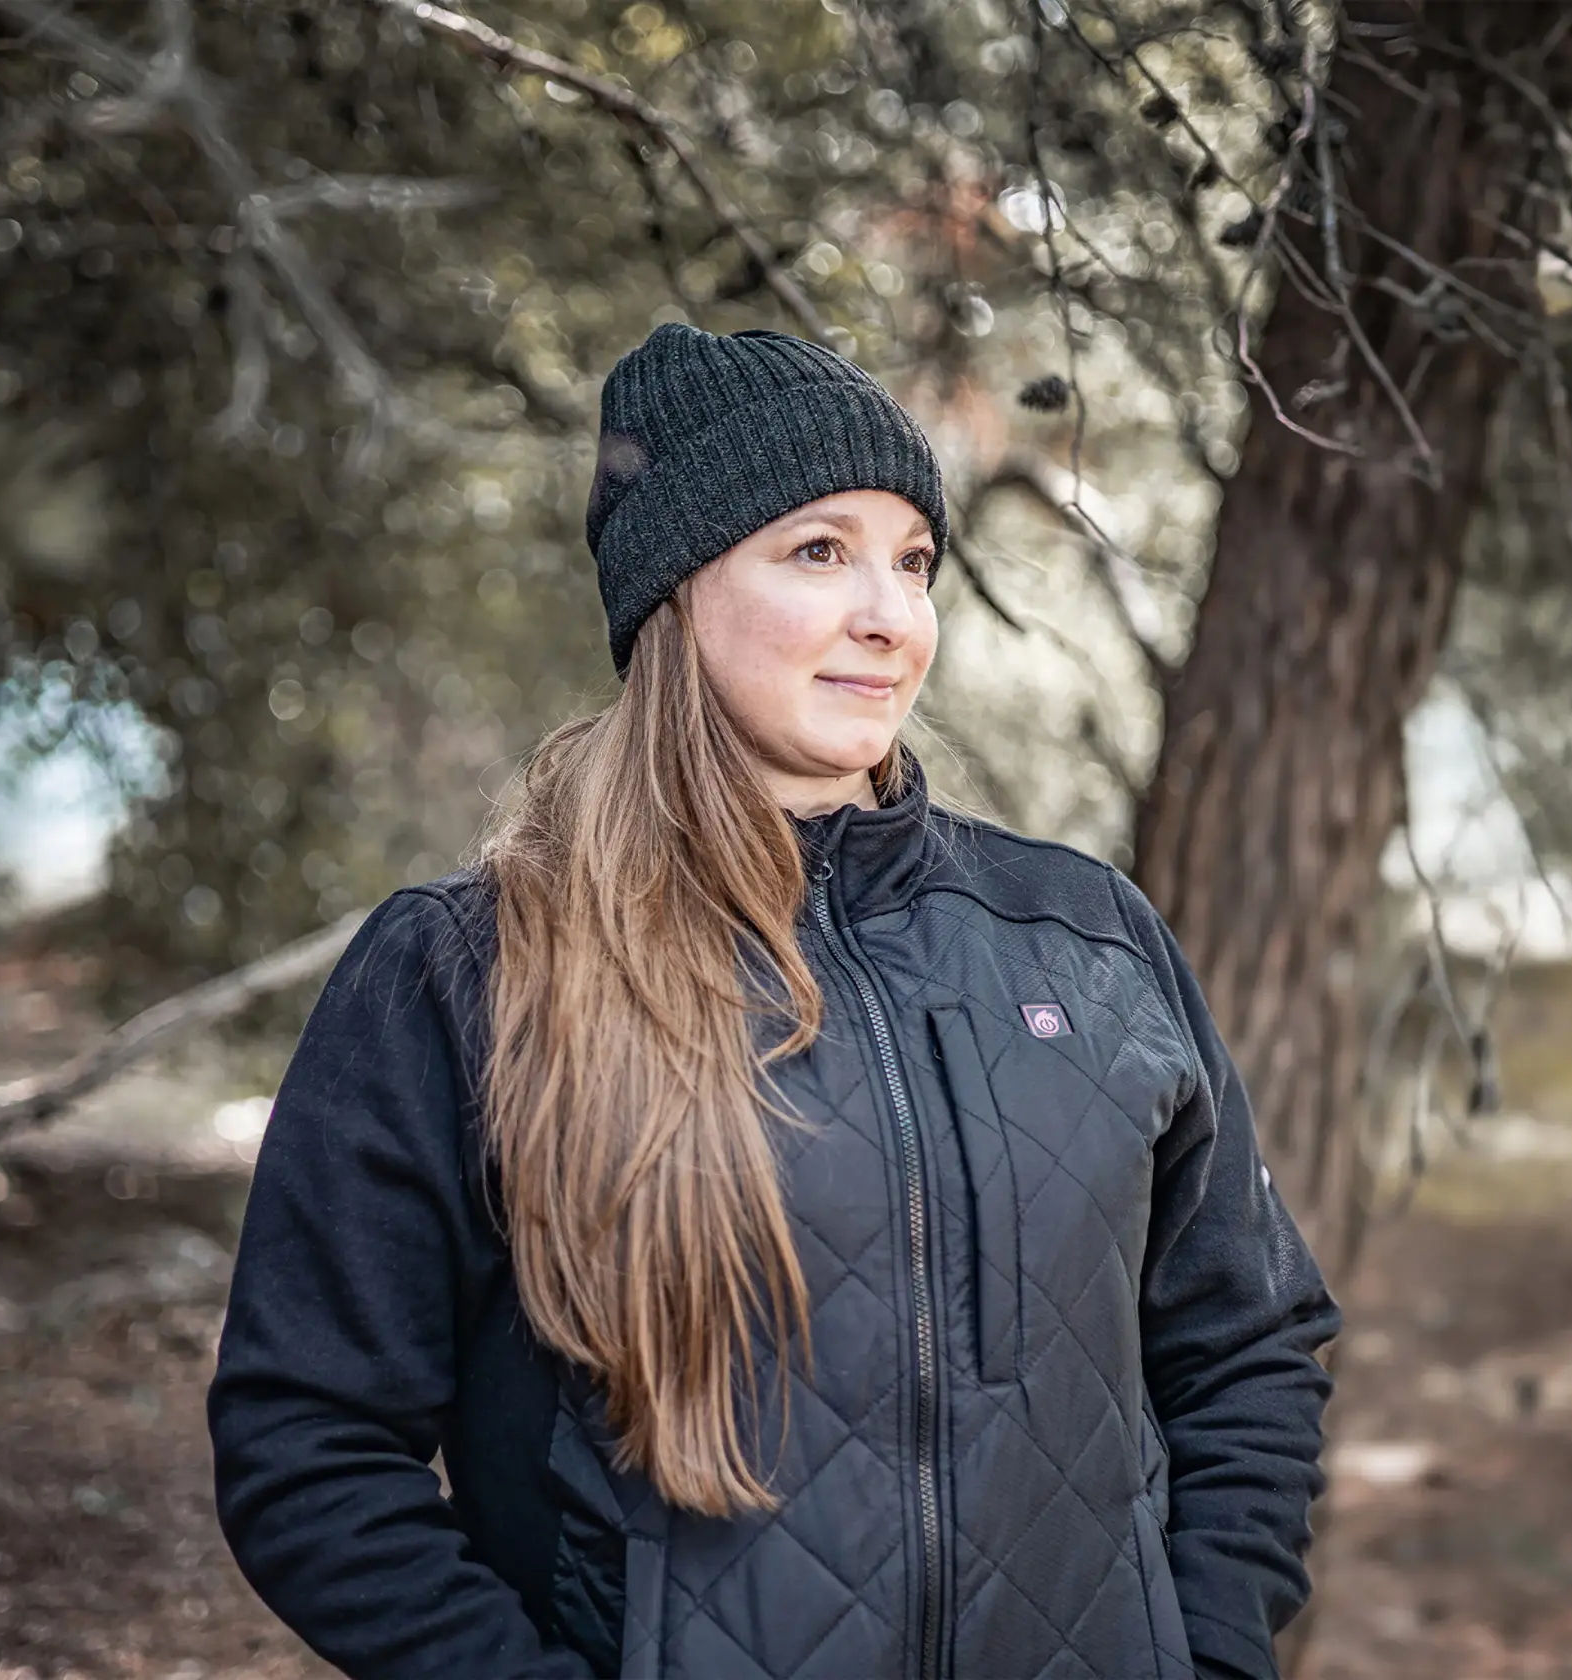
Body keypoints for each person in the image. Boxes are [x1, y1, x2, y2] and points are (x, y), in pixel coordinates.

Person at [208, 322, 1342, 1680]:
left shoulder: (1080, 934)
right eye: (820, 551)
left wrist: (1208, 1652)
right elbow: (309, 1447)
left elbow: (1250, 1347)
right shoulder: (472, 967)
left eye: (913, 562)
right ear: (677, 590)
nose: (891, 614)